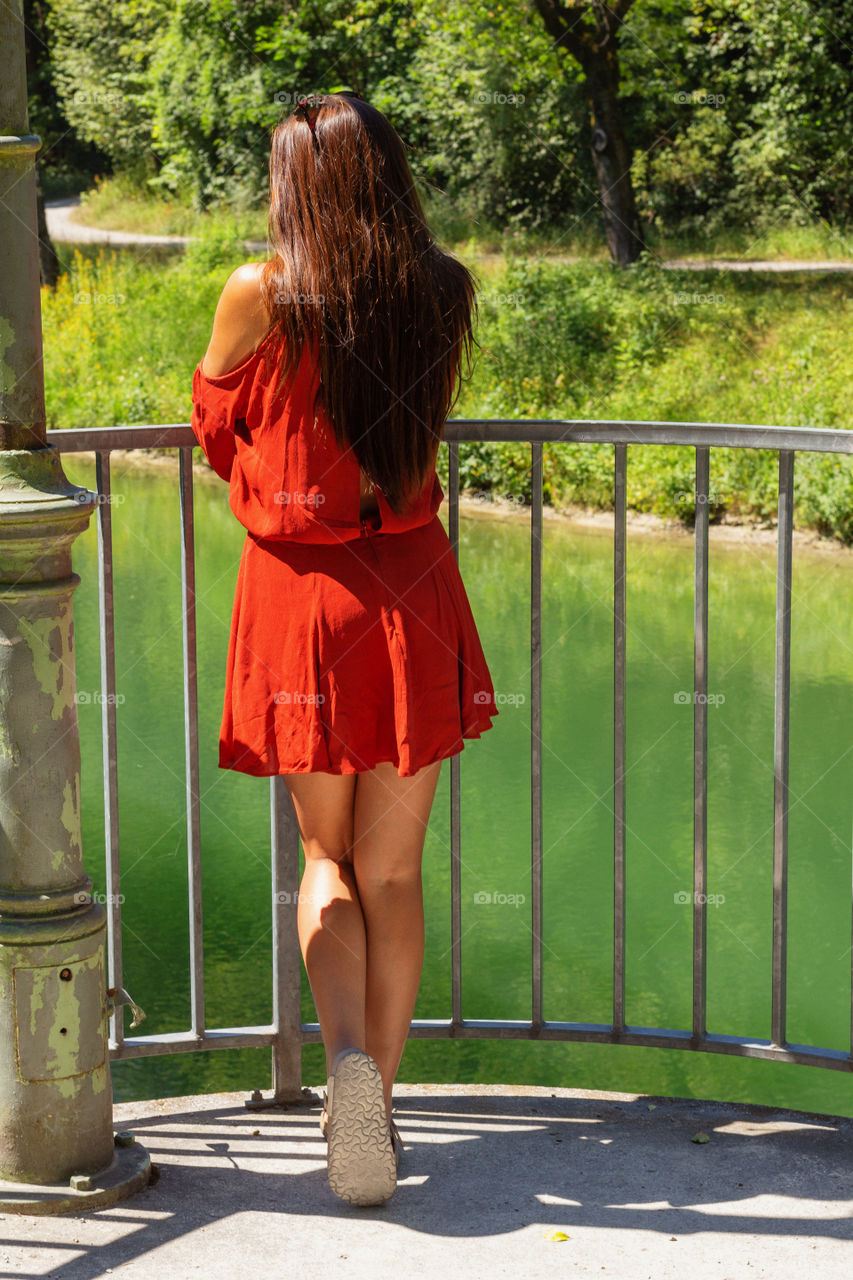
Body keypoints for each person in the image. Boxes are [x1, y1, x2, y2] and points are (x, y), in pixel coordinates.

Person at [190, 91, 499, 1207]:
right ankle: (376, 1099)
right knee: (398, 868)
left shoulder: (261, 293)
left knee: (328, 864)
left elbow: (216, 430)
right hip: (414, 590)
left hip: (305, 604)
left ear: (295, 184)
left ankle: (346, 1079)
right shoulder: (443, 289)